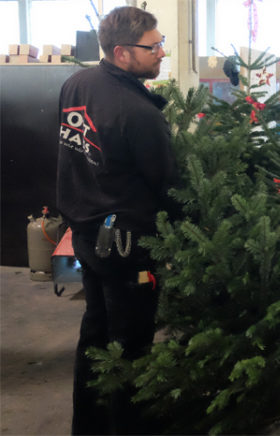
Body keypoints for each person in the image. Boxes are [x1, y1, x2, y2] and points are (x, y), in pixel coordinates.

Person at [55, 6, 175, 434]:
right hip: (128, 247)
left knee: (96, 332)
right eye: (154, 47)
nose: (162, 53)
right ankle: (128, 426)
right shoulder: (138, 112)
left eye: (161, 43)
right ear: (122, 52)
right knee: (131, 343)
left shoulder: (77, 84)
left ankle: (88, 425)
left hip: (87, 235)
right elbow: (169, 186)